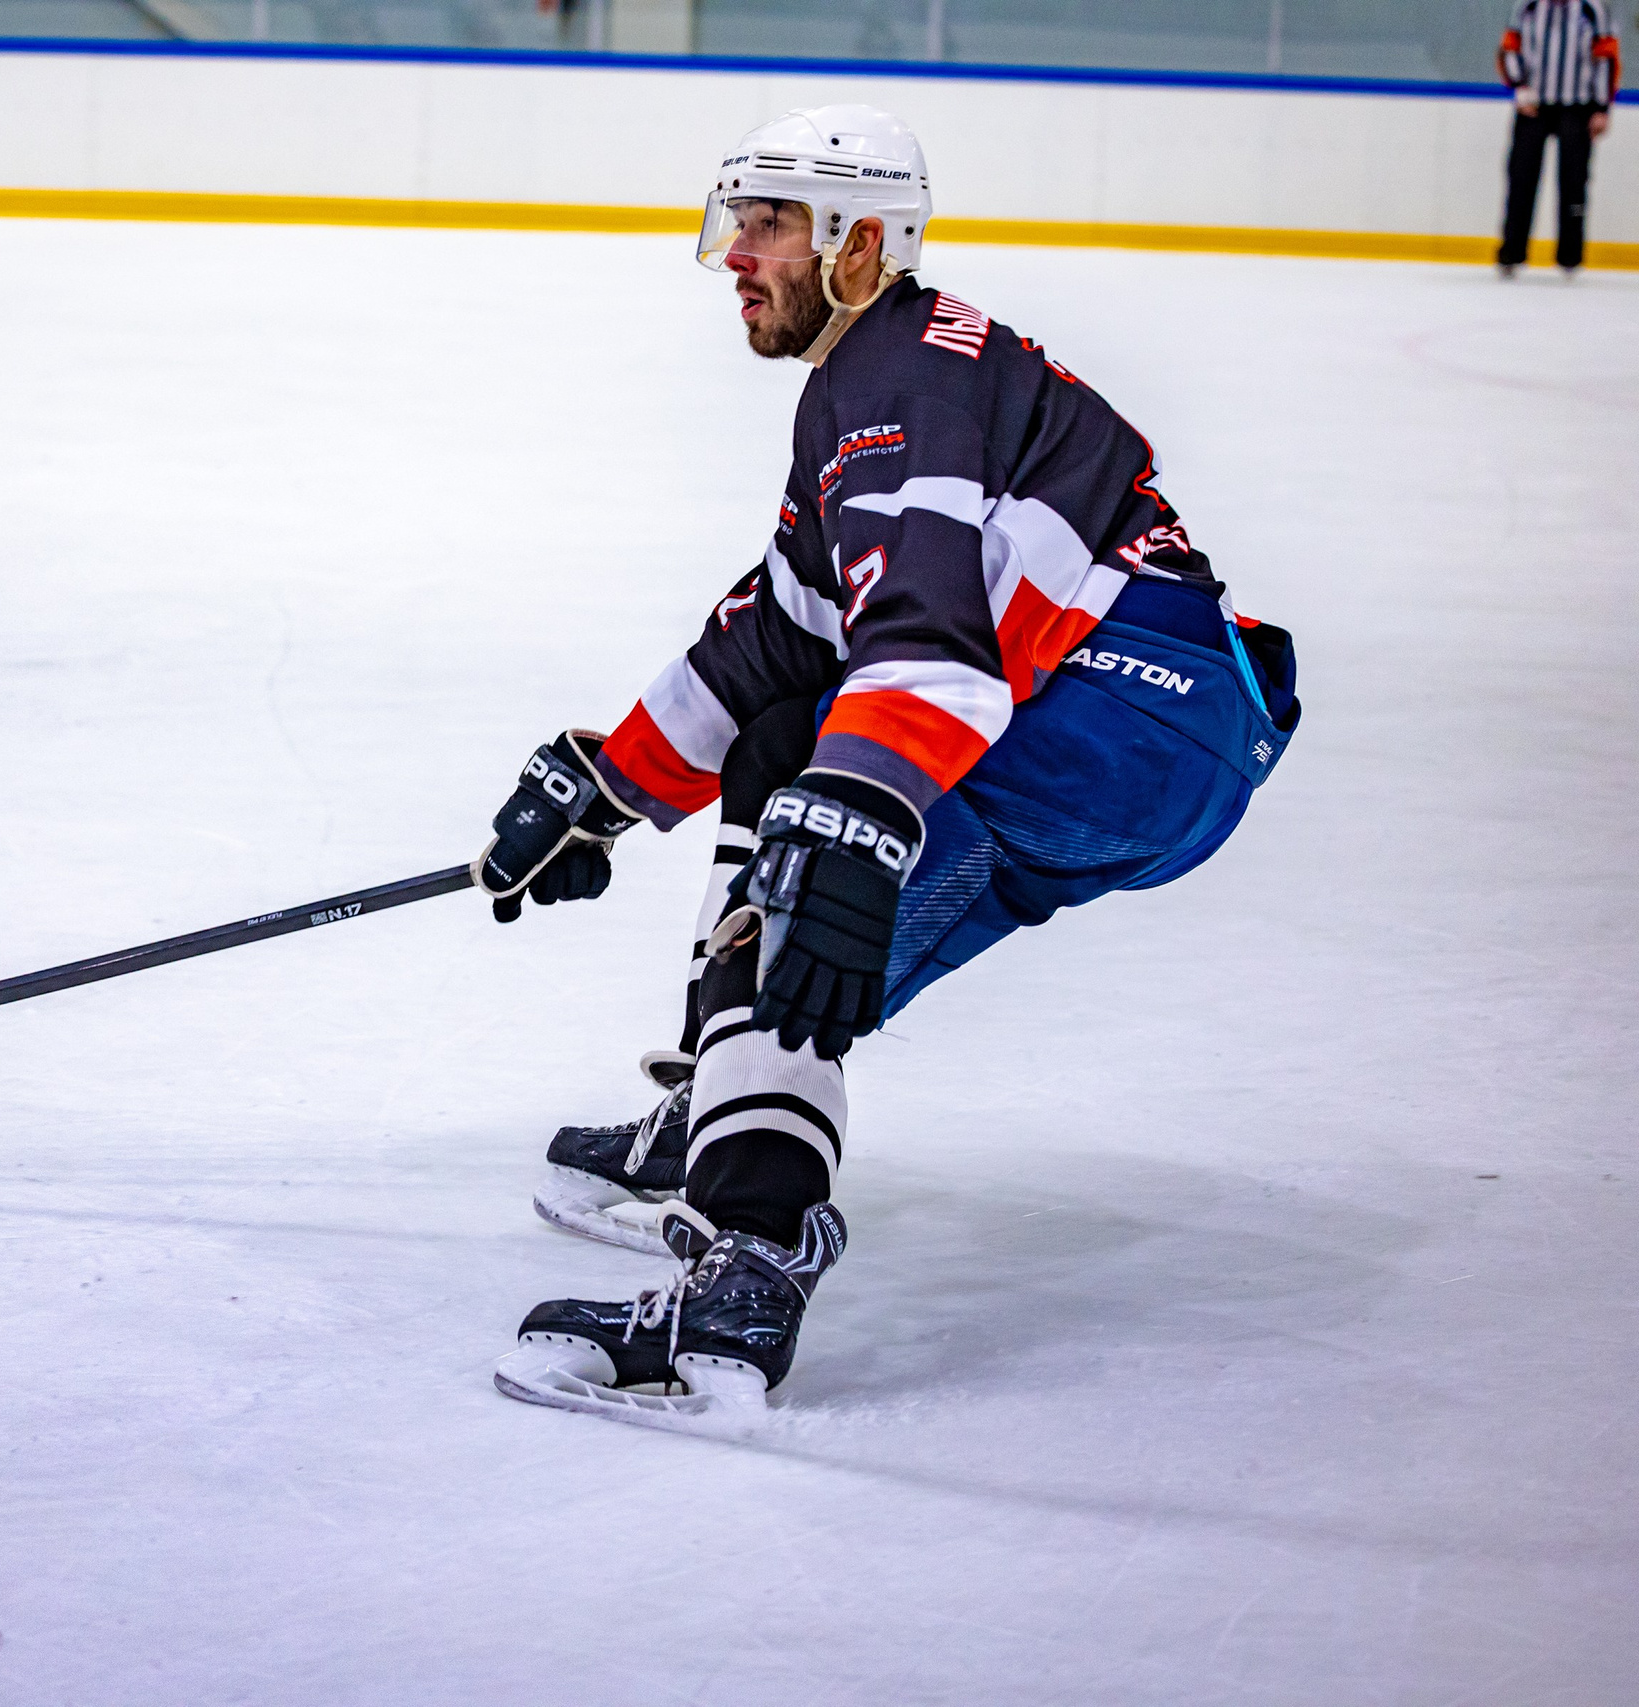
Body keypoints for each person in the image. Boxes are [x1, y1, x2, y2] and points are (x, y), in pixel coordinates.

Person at [476, 105, 1302, 1433]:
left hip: (1111, 705)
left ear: (861, 246)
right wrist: (611, 785)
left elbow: (929, 632)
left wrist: (853, 815)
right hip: (1152, 737)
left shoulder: (898, 385)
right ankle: (731, 1113)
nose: (736, 254)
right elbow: (786, 627)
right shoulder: (878, 382)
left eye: (769, 224)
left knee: (808, 851)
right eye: (734, 222)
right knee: (804, 920)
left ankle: (740, 1282)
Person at [1496, 0, 1620, 277]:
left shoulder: (1592, 8)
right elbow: (1509, 47)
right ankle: (1511, 252)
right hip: (1533, 105)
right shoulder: (1527, 6)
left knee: (1575, 182)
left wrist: (1601, 107)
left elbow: (1606, 56)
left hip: (1577, 107)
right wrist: (1519, 86)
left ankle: (1570, 255)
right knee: (1521, 178)